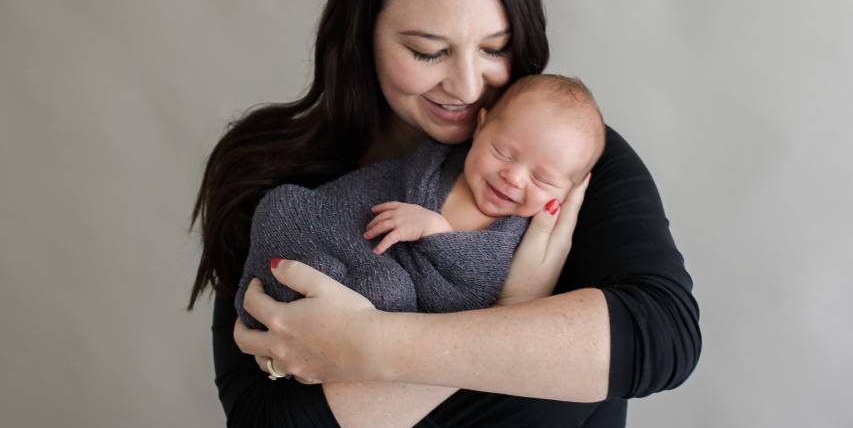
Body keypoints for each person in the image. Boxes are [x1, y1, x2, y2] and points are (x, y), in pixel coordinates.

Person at [188, 0, 701, 428]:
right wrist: (515, 318)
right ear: (362, 32)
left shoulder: (560, 158)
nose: (465, 86)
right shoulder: (279, 177)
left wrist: (365, 345)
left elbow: (661, 337)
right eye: (427, 50)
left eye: (495, 47)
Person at [233, 74, 606, 334]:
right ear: (481, 127)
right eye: (502, 152)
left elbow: (472, 299)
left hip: (378, 292)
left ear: (569, 192)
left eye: (542, 179)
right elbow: (363, 189)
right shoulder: (435, 162)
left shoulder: (512, 238)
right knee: (284, 204)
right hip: (339, 236)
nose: (514, 177)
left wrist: (436, 233)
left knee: (387, 290)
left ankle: (307, 303)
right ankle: (287, 288)